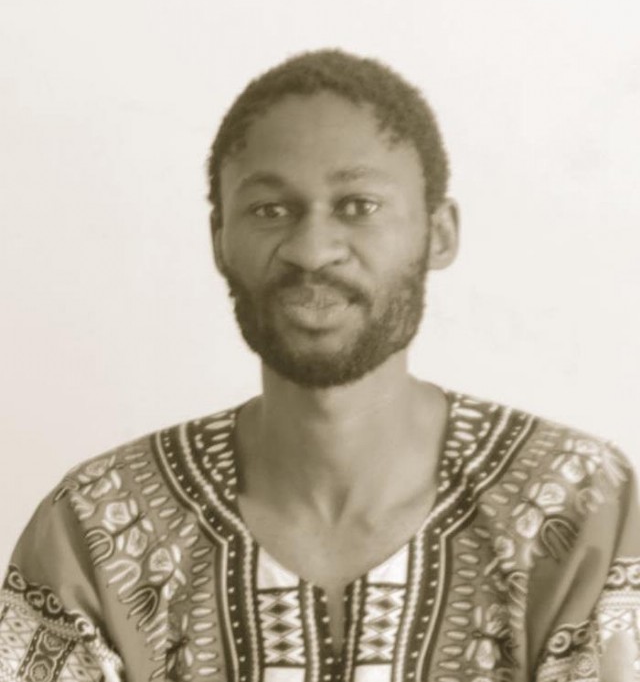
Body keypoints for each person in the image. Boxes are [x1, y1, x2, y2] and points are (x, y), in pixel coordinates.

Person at [1, 49, 638, 682]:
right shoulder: (98, 525)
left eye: (358, 205)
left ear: (439, 233)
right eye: (269, 210)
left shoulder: (581, 507)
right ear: (219, 239)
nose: (311, 250)